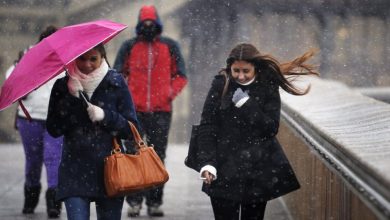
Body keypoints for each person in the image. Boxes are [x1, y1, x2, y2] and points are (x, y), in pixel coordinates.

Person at [197, 43, 318, 220]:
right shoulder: (221, 84)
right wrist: (207, 163)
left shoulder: (267, 85)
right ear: (229, 67)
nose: (240, 76)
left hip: (256, 170)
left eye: (246, 71)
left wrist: (246, 105)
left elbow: (270, 128)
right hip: (223, 167)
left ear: (256, 68)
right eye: (236, 70)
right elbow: (207, 125)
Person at [46, 44, 139, 220]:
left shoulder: (116, 82)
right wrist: (73, 101)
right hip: (74, 171)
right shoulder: (62, 86)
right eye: (82, 58)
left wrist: (105, 116)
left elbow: (132, 129)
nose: (87, 64)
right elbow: (54, 129)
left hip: (111, 171)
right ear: (74, 59)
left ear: (102, 57)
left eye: (93, 59)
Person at [113, 5, 187, 217]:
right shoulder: (128, 46)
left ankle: (154, 202)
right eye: (144, 22)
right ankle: (134, 202)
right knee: (132, 155)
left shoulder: (170, 46)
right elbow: (117, 75)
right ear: (139, 24)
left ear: (157, 24)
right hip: (133, 112)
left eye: (151, 22)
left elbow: (181, 75)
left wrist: (168, 93)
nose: (148, 26)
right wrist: (125, 97)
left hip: (161, 110)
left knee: (157, 156)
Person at [10, 25, 64, 218]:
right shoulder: (28, 55)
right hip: (30, 118)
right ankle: (30, 199)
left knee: (54, 160)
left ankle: (54, 203)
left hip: (55, 119)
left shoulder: (66, 59)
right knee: (33, 161)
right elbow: (11, 77)